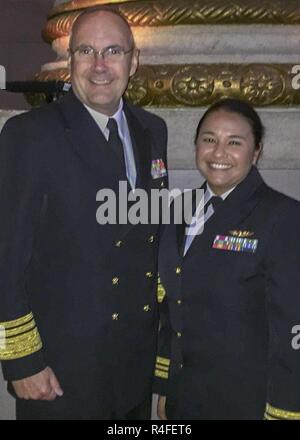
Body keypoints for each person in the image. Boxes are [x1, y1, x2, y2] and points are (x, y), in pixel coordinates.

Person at [0, 7, 168, 420]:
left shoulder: (153, 130)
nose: (99, 66)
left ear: (134, 61)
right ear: (70, 61)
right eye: (85, 51)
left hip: (133, 365)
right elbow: (5, 256)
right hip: (61, 372)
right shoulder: (31, 135)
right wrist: (23, 362)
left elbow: (154, 246)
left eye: (113, 51)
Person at [154, 98, 300, 420]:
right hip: (184, 399)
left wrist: (284, 411)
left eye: (235, 142)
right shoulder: (177, 210)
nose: (219, 153)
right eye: (209, 140)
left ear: (256, 151)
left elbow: (292, 326)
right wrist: (166, 388)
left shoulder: (283, 218)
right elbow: (172, 309)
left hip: (247, 403)